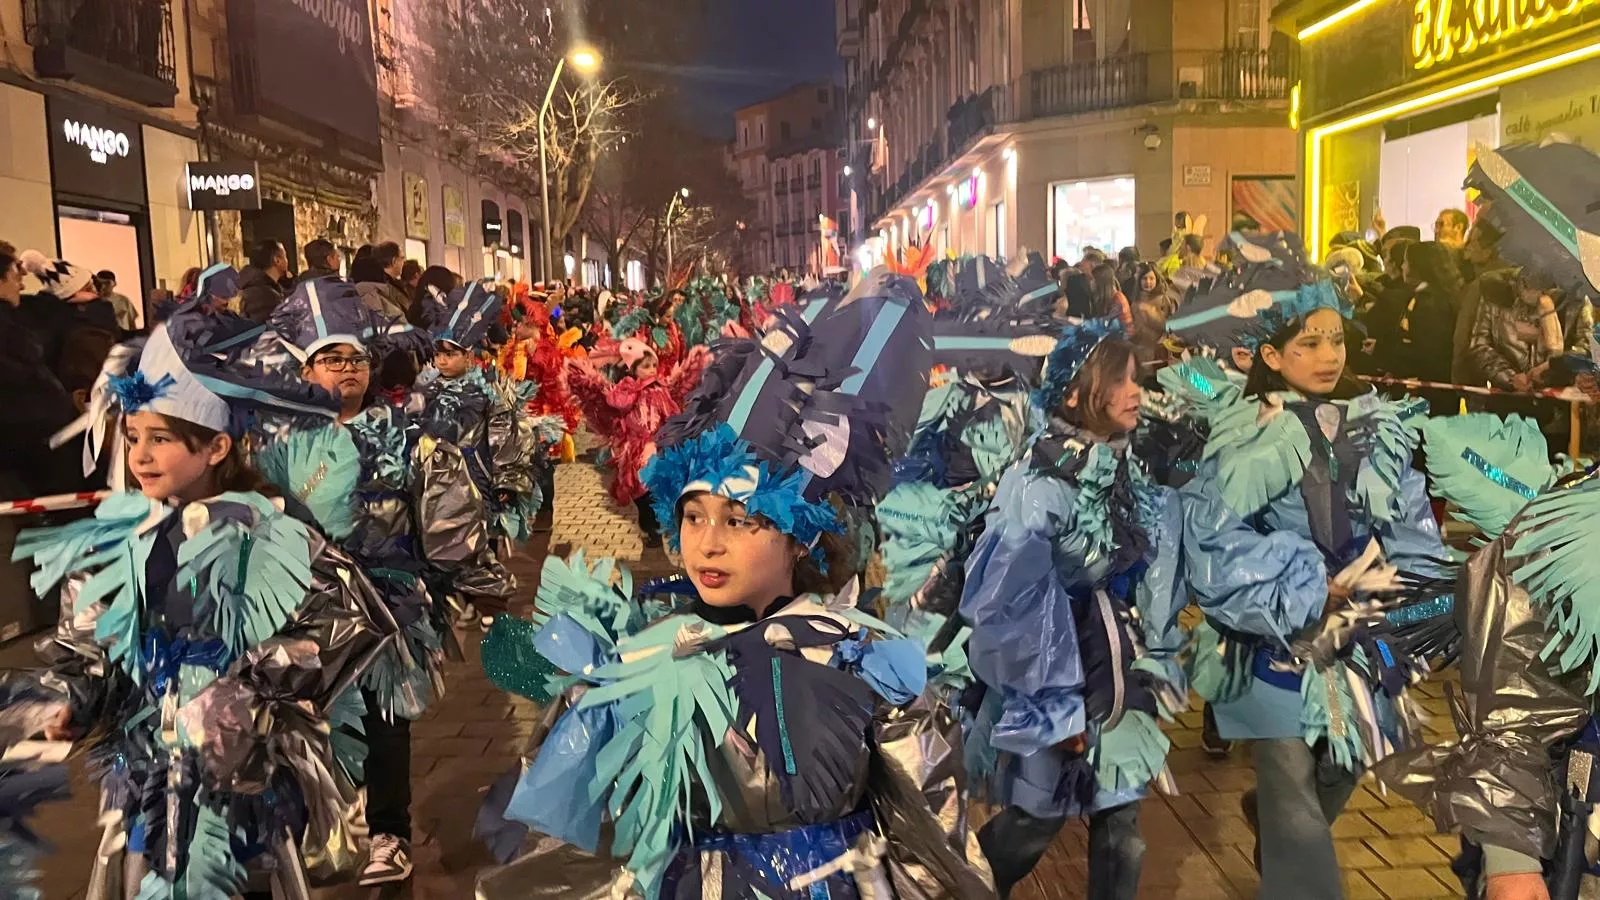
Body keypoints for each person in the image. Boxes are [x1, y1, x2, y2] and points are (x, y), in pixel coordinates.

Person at [473, 267, 993, 899]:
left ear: (797, 537)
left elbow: (936, 841)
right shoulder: (640, 653)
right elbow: (587, 838)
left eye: (740, 521)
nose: (708, 542)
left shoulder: (861, 662)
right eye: (693, 516)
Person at [5, 299, 395, 898]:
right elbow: (91, 650)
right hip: (148, 778)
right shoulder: (123, 540)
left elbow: (349, 621)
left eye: (161, 439)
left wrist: (249, 693)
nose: (138, 455)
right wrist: (68, 705)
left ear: (216, 447)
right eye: (133, 436)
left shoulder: (269, 531)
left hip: (243, 780)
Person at [1168, 262, 1448, 900]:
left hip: (1357, 636)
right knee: (1292, 791)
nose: (1329, 356)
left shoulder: (1377, 423)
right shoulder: (1241, 429)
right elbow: (1214, 539)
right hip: (1274, 639)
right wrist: (1304, 583)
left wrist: (1399, 582)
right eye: (1309, 344)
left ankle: (1276, 832)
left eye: (1338, 340)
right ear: (1271, 354)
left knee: (1344, 765)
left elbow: (1409, 523)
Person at [962, 320, 1187, 899]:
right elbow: (1009, 603)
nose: (1136, 393)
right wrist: (1053, 705)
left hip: (1118, 669)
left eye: (1137, 379)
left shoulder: (1126, 464)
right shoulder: (1041, 484)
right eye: (1121, 382)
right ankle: (954, 885)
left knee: (1123, 829)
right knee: (1034, 823)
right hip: (1057, 675)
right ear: (1075, 394)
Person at [260, 275, 449, 887]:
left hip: (388, 604)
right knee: (313, 724)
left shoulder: (399, 428)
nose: (346, 369)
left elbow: (435, 512)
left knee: (388, 720)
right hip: (308, 608)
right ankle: (328, 825)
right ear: (305, 369)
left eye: (355, 358)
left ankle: (390, 833)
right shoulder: (278, 441)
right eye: (330, 359)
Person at [567, 337, 709, 545]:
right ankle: (649, 523)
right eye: (645, 367)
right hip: (634, 448)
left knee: (653, 487)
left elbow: (671, 414)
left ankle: (657, 527)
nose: (651, 370)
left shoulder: (660, 390)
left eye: (653, 366)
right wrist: (630, 390)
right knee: (638, 490)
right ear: (633, 370)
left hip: (656, 446)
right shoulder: (627, 390)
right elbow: (614, 402)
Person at [1468, 268, 1565, 393]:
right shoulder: (1495, 291)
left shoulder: (1573, 297)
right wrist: (1509, 377)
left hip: (1557, 401)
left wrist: (1550, 368)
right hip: (1505, 399)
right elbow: (1479, 345)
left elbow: (1585, 347)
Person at [1400, 240, 1464, 386]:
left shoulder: (1428, 303)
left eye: (1405, 261)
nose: (1402, 266)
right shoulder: (1447, 295)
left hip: (1429, 387)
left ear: (1417, 266)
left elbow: (1427, 351)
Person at [352, 240, 410, 320]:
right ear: (394, 261)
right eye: (402, 258)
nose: (404, 262)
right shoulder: (381, 288)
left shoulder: (389, 285)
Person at [239, 238, 290, 322]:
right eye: (285, 256)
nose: (287, 261)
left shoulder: (259, 287)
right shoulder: (266, 296)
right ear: (277, 260)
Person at [1091, 261, 1134, 331]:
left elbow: (1106, 324)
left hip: (1121, 338)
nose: (1090, 282)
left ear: (1100, 281)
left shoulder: (1118, 299)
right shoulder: (1104, 298)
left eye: (1092, 279)